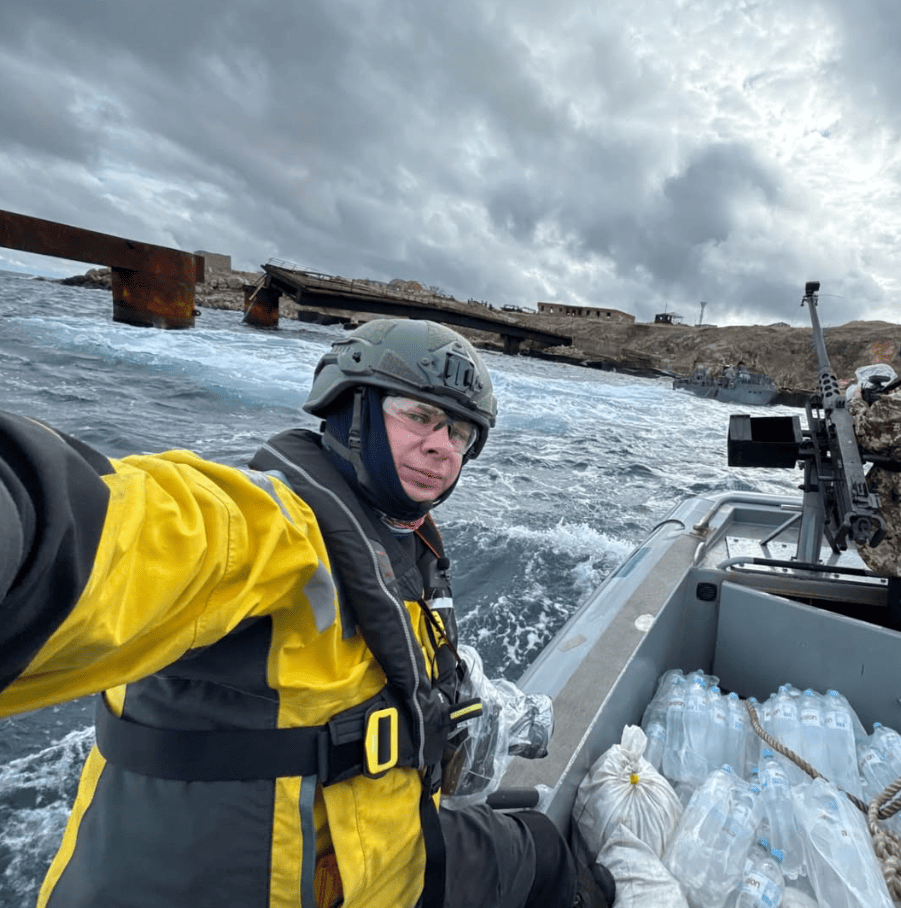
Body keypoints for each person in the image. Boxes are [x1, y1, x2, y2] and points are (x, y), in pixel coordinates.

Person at [0, 317, 615, 908]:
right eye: (420, 416)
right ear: (351, 410)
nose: (441, 446)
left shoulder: (401, 542)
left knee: (539, 848)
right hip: (284, 883)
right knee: (549, 860)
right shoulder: (270, 530)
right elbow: (113, 532)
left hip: (377, 853)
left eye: (460, 432)